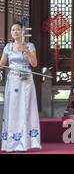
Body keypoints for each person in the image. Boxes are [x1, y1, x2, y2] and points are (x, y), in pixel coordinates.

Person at [0, 22, 41, 152]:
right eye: (13, 30)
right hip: (13, 80)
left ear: (23, 32)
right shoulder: (8, 47)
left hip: (26, 81)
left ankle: (27, 142)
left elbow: (34, 64)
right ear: (11, 33)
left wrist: (27, 50)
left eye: (18, 29)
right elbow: (2, 64)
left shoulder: (30, 45)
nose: (15, 32)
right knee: (13, 109)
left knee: (26, 108)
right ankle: (11, 143)